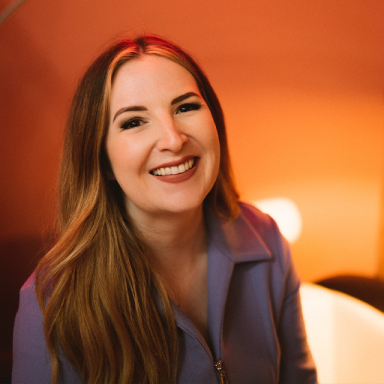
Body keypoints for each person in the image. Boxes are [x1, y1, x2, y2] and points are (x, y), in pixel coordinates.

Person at [12, 35, 318, 384]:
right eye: (133, 122)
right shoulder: (51, 303)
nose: (173, 139)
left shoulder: (268, 241)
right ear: (102, 161)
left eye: (185, 107)